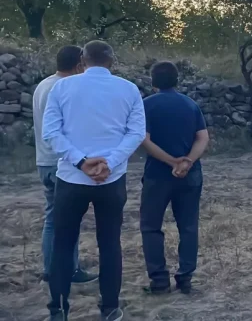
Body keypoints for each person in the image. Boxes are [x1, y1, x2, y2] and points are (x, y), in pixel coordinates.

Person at [42, 40, 146, 321]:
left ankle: (59, 310)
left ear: (82, 60)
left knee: (62, 244)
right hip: (111, 180)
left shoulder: (61, 88)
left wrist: (80, 160)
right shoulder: (129, 89)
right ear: (112, 60)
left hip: (71, 178)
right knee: (110, 243)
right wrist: (109, 163)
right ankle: (110, 308)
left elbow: (51, 133)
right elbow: (136, 134)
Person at [140, 61, 209, 295]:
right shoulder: (190, 105)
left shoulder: (146, 105)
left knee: (151, 227)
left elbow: (144, 140)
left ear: (153, 81)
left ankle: (159, 280)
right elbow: (202, 137)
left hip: (157, 176)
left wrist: (171, 162)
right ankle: (185, 278)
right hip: (190, 175)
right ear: (177, 80)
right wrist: (188, 161)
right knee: (188, 226)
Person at [33, 45, 98, 285]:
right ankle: (65, 271)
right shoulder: (62, 88)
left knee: (54, 217)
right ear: (79, 64)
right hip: (61, 162)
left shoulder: (43, 85)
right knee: (65, 220)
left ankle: (55, 268)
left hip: (45, 160)